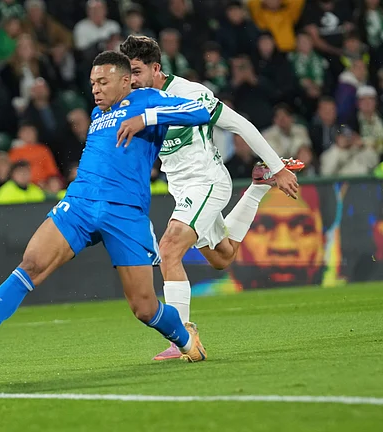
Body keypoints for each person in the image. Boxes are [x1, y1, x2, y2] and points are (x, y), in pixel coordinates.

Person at [0, 51, 212, 368]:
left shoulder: (148, 100)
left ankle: (185, 338)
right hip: (80, 202)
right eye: (92, 83)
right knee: (32, 262)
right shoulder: (98, 112)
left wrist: (147, 119)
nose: (96, 89)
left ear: (126, 79)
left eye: (103, 82)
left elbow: (201, 111)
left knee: (144, 308)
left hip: (125, 211)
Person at [119, 35, 304, 360]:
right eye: (127, 74)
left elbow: (241, 125)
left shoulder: (191, 94)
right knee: (222, 257)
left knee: (170, 249)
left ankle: (181, 339)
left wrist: (279, 168)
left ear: (155, 68)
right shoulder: (137, 102)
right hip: (183, 191)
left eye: (135, 71)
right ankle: (257, 187)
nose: (131, 80)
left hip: (207, 183)